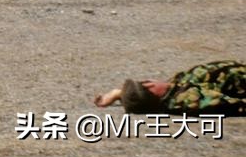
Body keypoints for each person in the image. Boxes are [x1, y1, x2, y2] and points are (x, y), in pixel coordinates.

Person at [93, 60, 245, 116]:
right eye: (145, 81)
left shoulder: (173, 87)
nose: (151, 78)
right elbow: (234, 106)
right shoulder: (188, 100)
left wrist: (117, 94)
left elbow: (137, 100)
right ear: (151, 87)